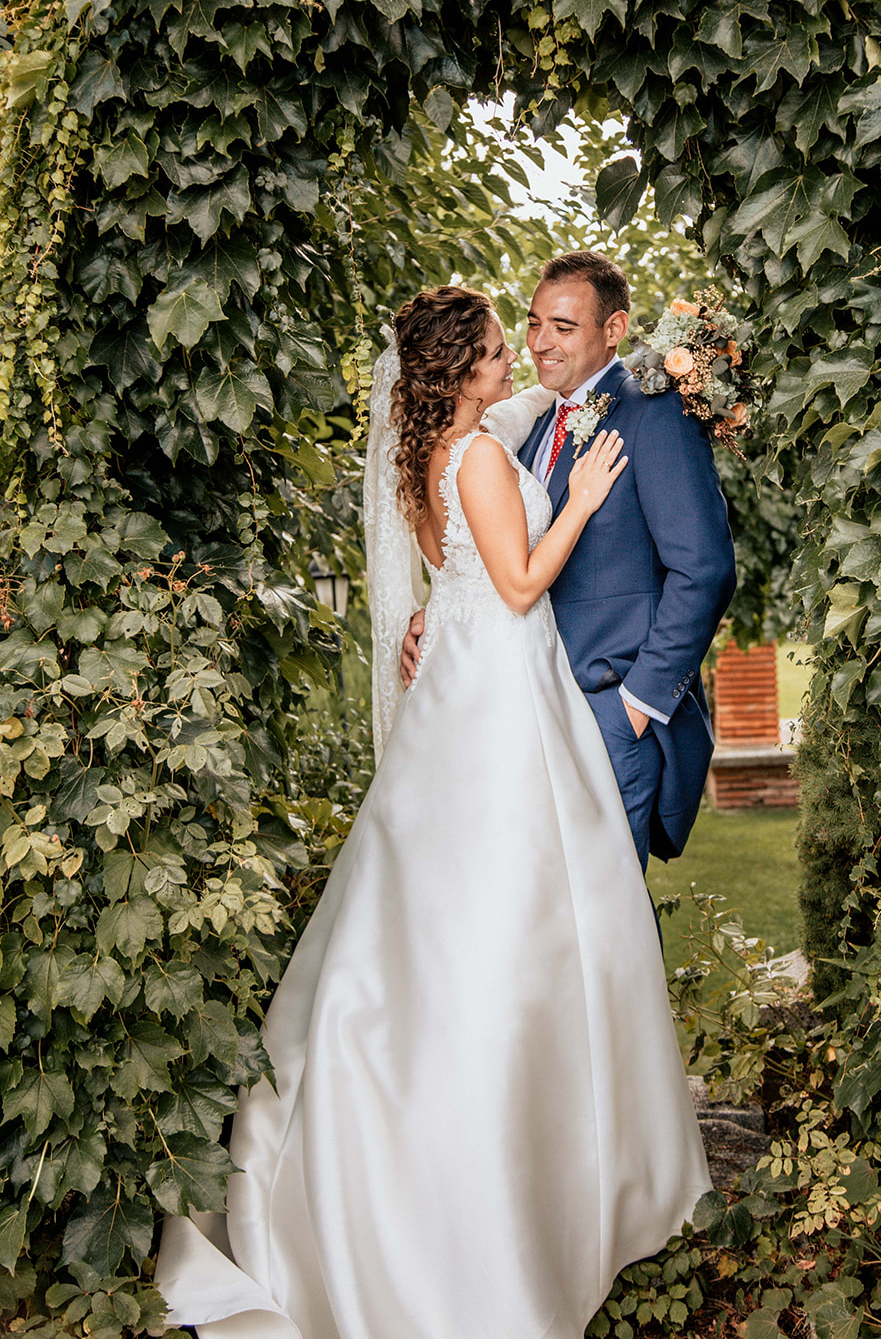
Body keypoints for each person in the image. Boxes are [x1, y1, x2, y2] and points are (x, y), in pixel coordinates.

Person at [155, 284, 711, 1339]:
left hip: (457, 694)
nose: (515, 359)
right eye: (501, 349)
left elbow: (450, 573)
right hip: (502, 700)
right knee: (516, 923)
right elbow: (513, 585)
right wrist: (586, 498)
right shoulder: (479, 456)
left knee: (436, 921)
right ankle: (511, 1178)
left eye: (525, 339)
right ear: (460, 374)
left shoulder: (431, 453)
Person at [404, 252, 736, 871]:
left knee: (606, 929)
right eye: (532, 324)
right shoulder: (526, 432)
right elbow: (496, 558)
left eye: (563, 326)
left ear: (613, 331)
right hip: (530, 721)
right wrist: (440, 615)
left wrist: (636, 706)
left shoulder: (653, 414)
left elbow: (705, 570)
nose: (539, 344)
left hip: (610, 718)